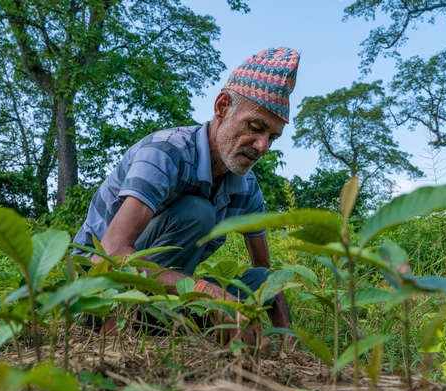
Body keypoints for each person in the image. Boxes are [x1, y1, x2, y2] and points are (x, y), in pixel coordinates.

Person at [73, 47, 300, 353]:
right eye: (255, 127)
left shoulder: (247, 187)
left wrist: (287, 338)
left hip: (165, 297)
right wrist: (212, 296)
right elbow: (109, 255)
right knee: (197, 212)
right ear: (222, 107)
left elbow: (266, 272)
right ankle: (120, 331)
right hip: (97, 293)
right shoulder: (166, 153)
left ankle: (167, 325)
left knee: (262, 279)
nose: (262, 147)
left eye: (272, 137)